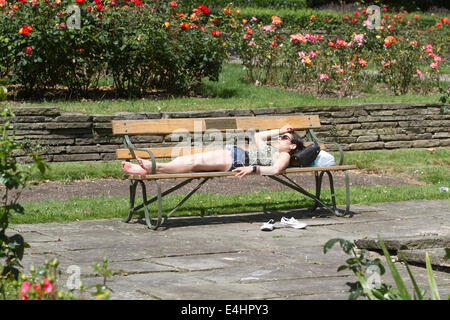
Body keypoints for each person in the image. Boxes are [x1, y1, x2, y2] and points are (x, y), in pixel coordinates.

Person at [121, 124, 304, 179]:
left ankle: (153, 167)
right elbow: (260, 136)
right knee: (192, 160)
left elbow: (275, 170)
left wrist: (253, 169)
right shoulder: (271, 148)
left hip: (238, 161)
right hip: (235, 154)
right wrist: (280, 130)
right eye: (281, 137)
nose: (280, 139)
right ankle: (151, 169)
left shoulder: (284, 155)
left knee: (193, 163)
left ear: (293, 146)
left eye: (285, 138)